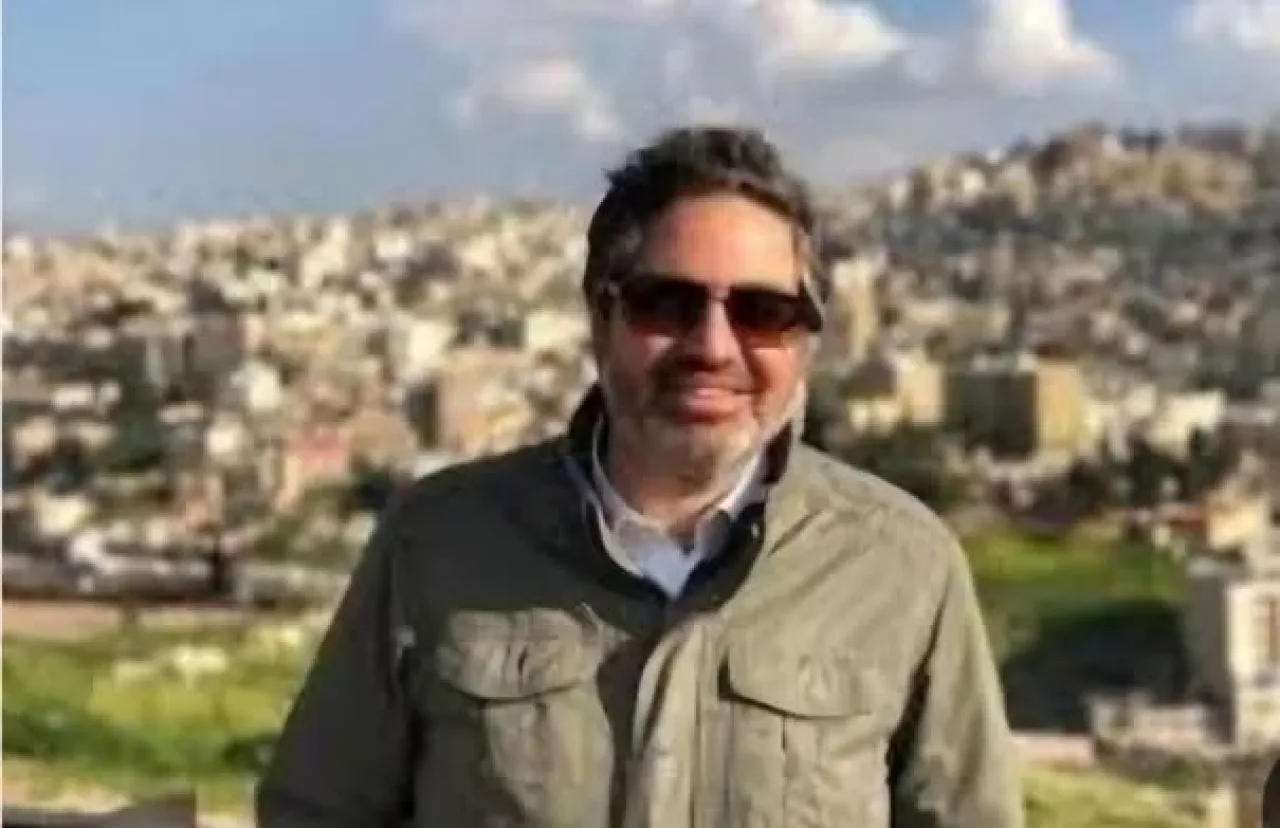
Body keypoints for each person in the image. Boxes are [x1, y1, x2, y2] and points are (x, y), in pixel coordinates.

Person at [256, 125, 1024, 828]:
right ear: (602, 317)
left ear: (806, 343)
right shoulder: (439, 543)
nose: (713, 347)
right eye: (667, 303)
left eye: (762, 312)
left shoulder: (902, 566)